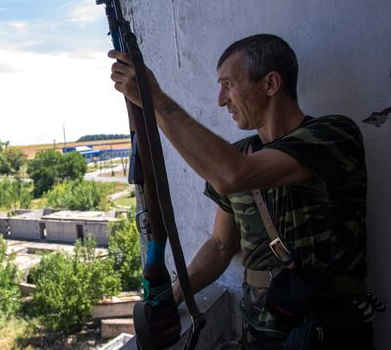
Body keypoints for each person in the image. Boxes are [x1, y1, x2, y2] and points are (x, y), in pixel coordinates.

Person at [109, 34, 374, 349]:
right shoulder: (238, 153)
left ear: (270, 84)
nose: (221, 100)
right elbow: (221, 245)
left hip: (324, 328)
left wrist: (155, 100)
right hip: (260, 330)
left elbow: (233, 175)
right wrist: (173, 296)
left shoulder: (334, 135)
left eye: (228, 85)